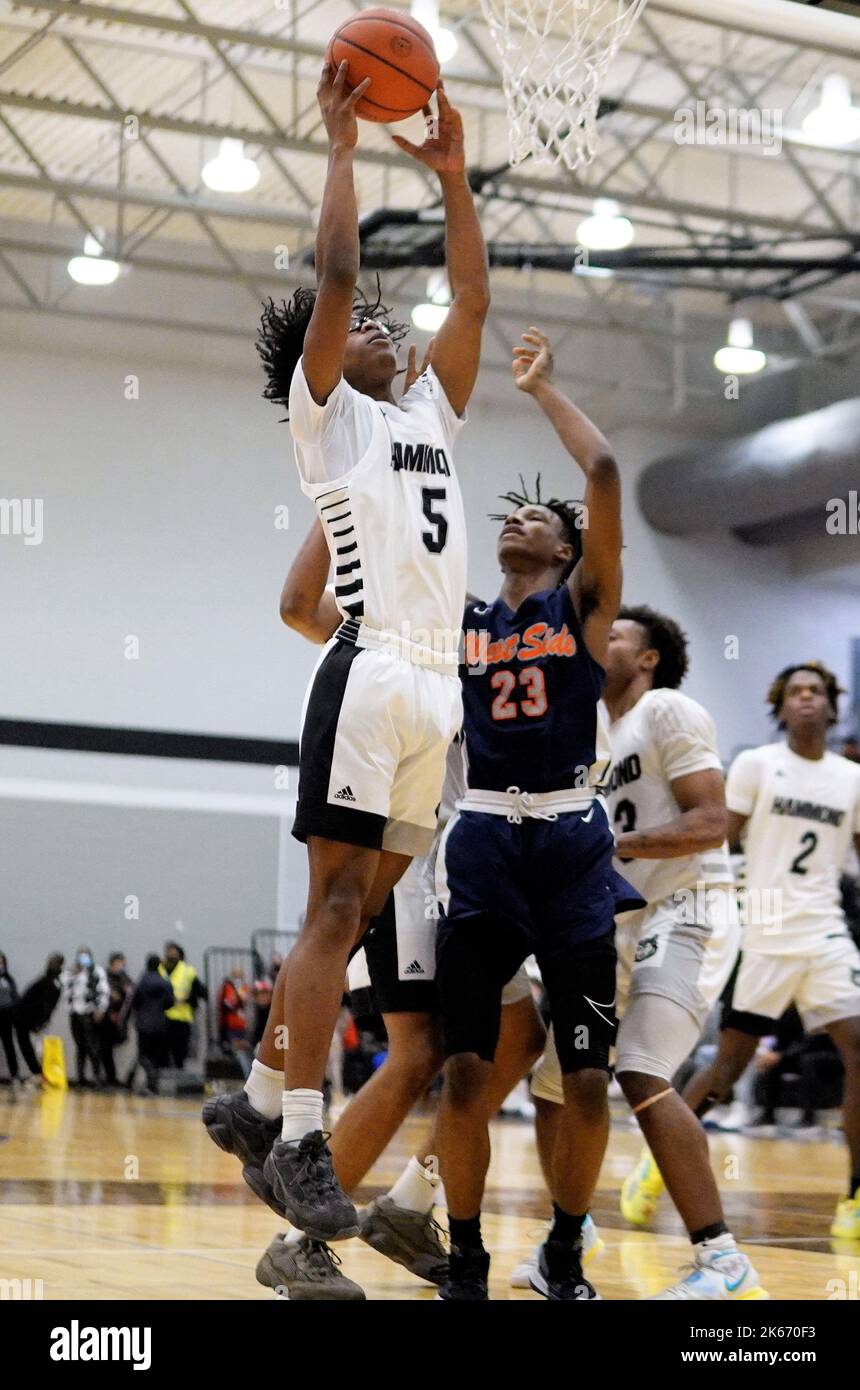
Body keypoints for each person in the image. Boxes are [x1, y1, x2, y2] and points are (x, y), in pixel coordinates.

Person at [225, 61, 489, 1244]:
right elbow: (334, 275)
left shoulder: (427, 411)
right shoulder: (326, 416)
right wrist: (339, 148)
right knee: (335, 908)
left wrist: (452, 178)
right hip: (372, 666)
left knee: (360, 903)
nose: (386, 327)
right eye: (370, 327)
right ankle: (294, 1138)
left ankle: (250, 1096)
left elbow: (471, 306)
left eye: (389, 322)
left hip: (440, 689)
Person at [206, 500, 545, 1300]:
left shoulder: (552, 639)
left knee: (518, 1040)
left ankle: (407, 1200)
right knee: (419, 1050)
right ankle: (304, 1239)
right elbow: (298, 608)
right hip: (414, 858)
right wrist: (338, 499)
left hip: (482, 867)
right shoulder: (420, 630)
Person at [433, 327, 641, 1301]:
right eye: (504, 514)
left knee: (588, 1081)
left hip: (568, 838)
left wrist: (543, 387)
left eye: (531, 516)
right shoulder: (465, 617)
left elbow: (600, 468)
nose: (513, 521)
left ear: (561, 549)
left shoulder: (583, 610)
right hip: (478, 837)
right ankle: (464, 1252)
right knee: (463, 1076)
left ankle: (563, 1245)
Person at [521, 607, 766, 1300]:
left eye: (618, 635)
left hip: (688, 906)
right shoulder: (592, 731)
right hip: (617, 920)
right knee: (553, 1083)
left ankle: (723, 1260)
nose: (602, 641)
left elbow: (713, 822)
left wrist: (613, 847)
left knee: (639, 1067)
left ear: (650, 657)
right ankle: (570, 1235)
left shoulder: (667, 709)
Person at [679, 662, 860, 1240]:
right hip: (764, 933)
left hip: (826, 932)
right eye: (795, 692)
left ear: (832, 707)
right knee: (728, 1068)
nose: (807, 699)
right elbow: (720, 836)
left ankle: (857, 1198)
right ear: (780, 708)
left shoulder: (854, 779)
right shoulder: (758, 766)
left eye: (817, 691)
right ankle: (661, 1158)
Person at [126, 955, 175, 1094]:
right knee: (155, 1055)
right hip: (160, 1023)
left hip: (143, 1023)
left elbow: (134, 1001)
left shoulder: (141, 981)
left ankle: (150, 1080)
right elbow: (170, 1003)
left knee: (143, 1054)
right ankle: (152, 1085)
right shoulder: (165, 982)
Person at [12, 952, 64, 1081]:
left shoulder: (54, 982)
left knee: (37, 1047)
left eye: (54, 962)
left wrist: (42, 1021)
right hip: (24, 1016)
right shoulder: (45, 979)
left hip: (33, 1018)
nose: (51, 964)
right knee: (27, 1045)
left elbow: (49, 1005)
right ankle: (38, 1072)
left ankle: (41, 1073)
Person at [63, 946, 109, 1087]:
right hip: (75, 1013)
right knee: (80, 1046)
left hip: (90, 1013)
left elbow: (103, 991)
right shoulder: (71, 972)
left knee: (93, 1046)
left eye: (86, 956)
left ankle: (96, 1077)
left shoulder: (97, 971)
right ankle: (80, 1078)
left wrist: (101, 1009)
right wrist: (73, 974)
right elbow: (65, 989)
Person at [159, 942, 199, 1069]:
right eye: (168, 951)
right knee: (163, 1053)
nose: (170, 954)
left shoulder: (187, 970)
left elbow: (199, 991)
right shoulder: (159, 969)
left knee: (179, 1053)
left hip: (181, 1019)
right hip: (163, 1018)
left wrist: (188, 999)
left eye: (172, 951)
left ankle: (180, 1079)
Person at [98, 952, 132, 1087]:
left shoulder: (125, 978)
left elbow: (130, 993)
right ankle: (107, 1077)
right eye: (120, 963)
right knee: (104, 1049)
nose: (122, 966)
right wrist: (110, 994)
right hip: (105, 1020)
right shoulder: (104, 977)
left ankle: (112, 1077)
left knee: (112, 1048)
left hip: (119, 1020)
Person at [0, 952, 22, 1084]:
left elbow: (15, 997)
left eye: (1, 962)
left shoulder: (8, 979)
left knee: (9, 1045)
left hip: (6, 1015)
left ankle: (15, 1075)